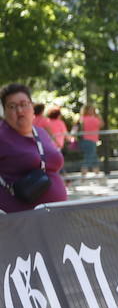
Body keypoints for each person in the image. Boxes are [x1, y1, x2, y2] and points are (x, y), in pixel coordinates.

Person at [1, 84, 68, 213]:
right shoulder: (2, 135)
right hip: (19, 220)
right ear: (5, 112)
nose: (19, 110)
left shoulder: (41, 132)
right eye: (12, 106)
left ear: (32, 107)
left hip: (56, 216)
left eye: (23, 104)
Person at [79, 103, 103, 178]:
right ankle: (83, 176)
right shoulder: (85, 119)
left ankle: (97, 175)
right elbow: (101, 124)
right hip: (88, 140)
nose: (92, 111)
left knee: (94, 157)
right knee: (89, 157)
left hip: (92, 140)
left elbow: (101, 124)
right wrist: (98, 115)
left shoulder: (83, 119)